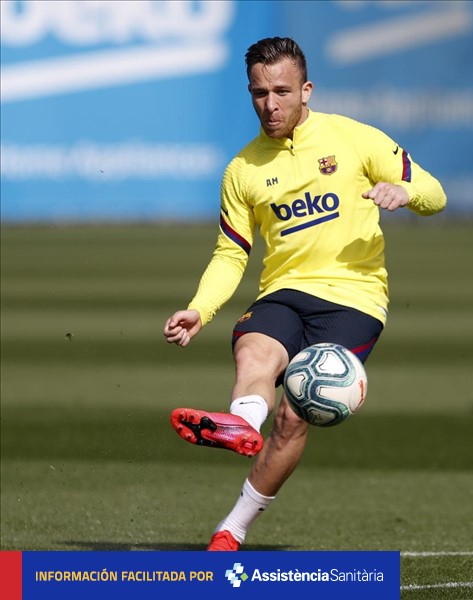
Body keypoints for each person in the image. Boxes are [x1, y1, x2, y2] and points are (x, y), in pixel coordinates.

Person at [163, 36, 446, 551]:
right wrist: (199, 309)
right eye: (258, 93)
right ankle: (240, 424)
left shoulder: (355, 138)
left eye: (282, 91)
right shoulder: (242, 169)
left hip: (354, 299)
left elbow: (436, 192)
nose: (270, 105)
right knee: (254, 350)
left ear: (306, 90)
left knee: (294, 414)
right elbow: (231, 254)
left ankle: (233, 528)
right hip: (285, 291)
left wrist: (403, 193)